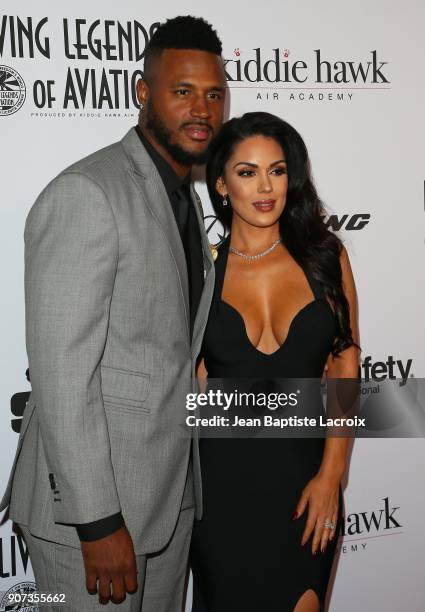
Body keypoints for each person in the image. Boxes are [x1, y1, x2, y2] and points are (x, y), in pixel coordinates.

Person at [0, 16, 226, 612]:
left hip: (168, 501)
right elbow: (62, 375)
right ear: (142, 92)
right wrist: (96, 521)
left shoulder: (184, 199)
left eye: (213, 93)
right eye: (182, 91)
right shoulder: (89, 193)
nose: (201, 108)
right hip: (95, 521)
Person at [190, 112, 360, 612]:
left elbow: (346, 367)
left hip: (306, 483)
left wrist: (332, 477)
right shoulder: (203, 270)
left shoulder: (325, 257)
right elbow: (192, 385)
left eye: (277, 170)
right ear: (221, 184)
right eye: (247, 172)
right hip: (220, 493)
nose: (265, 187)